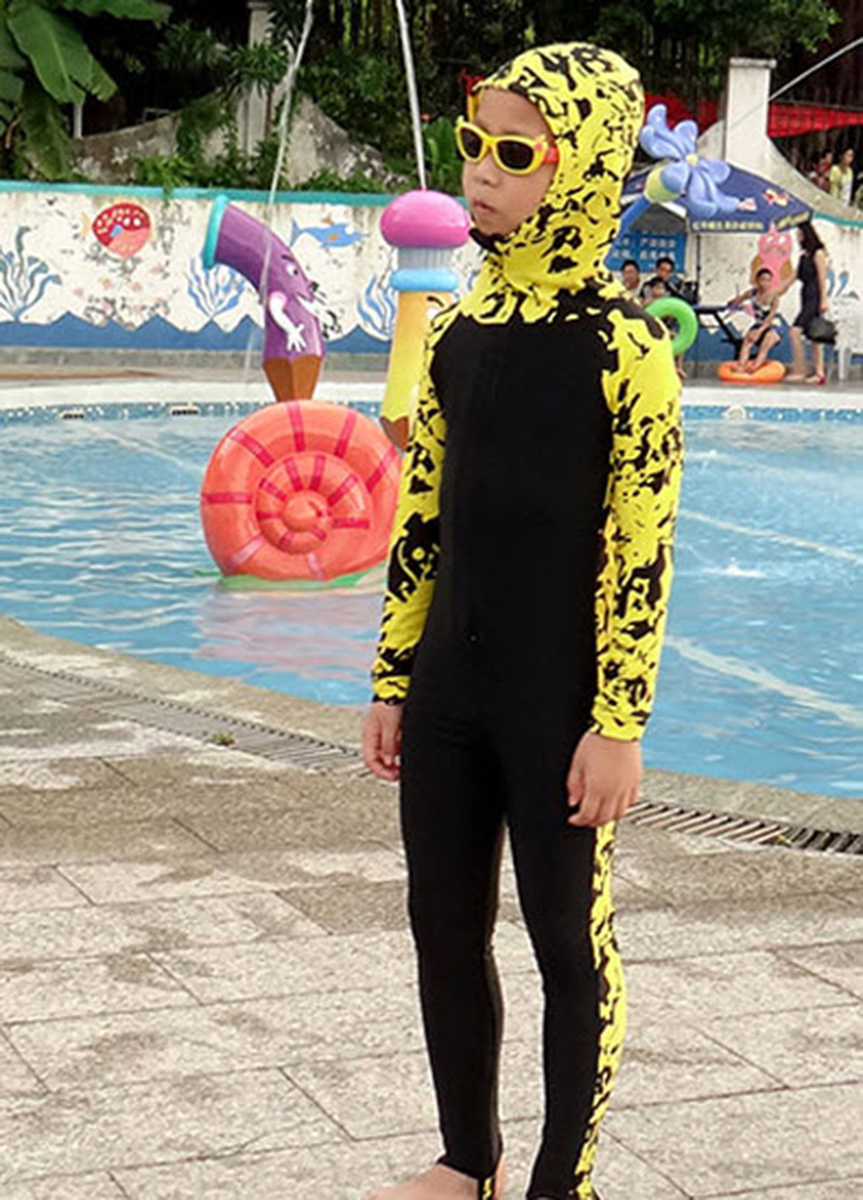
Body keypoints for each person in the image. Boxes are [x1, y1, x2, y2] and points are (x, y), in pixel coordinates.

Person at [363, 41, 683, 1200]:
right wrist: (393, 677)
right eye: (471, 145)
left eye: (513, 152)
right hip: (450, 690)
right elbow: (421, 517)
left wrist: (618, 721)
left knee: (564, 940)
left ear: (582, 166)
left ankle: (561, 1181)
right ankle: (469, 1159)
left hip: (558, 702)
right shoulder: (455, 332)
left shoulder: (626, 349)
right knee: (441, 926)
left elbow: (639, 553)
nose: (479, 173)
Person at [782, 220, 830, 385]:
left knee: (795, 331)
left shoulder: (818, 253)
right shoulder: (804, 256)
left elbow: (822, 278)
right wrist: (776, 291)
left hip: (815, 296)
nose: (798, 238)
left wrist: (824, 299)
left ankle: (800, 369)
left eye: (800, 235)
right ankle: (819, 373)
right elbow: (793, 277)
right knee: (814, 336)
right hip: (806, 295)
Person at [727, 267, 782, 373]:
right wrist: (735, 302)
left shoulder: (773, 295)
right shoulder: (752, 293)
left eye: (768, 280)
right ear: (757, 281)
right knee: (747, 341)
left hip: (773, 325)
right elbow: (738, 300)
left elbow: (771, 316)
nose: (765, 283)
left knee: (766, 342)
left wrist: (760, 331)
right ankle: (741, 365)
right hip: (759, 323)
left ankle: (756, 366)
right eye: (763, 280)